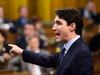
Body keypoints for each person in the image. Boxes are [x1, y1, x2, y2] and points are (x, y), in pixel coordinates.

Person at [9, 8, 94, 75]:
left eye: (59, 23)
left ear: (72, 26)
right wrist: (22, 52)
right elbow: (47, 60)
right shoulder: (68, 48)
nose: (53, 28)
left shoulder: (82, 52)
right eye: (54, 23)